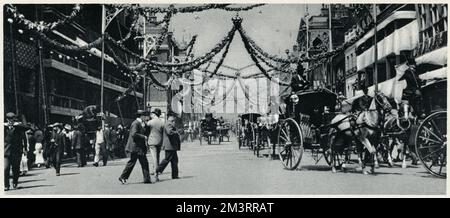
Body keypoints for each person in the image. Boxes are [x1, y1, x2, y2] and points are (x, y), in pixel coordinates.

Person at [119, 110, 151, 184]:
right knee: (138, 163)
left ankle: (146, 179)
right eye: (145, 116)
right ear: (141, 116)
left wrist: (145, 126)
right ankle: (146, 179)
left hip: (138, 147)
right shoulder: (136, 123)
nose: (146, 118)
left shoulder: (140, 123)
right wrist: (144, 137)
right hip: (136, 147)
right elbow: (134, 134)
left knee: (136, 162)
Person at [4, 112, 28, 191]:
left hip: (16, 151)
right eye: (9, 119)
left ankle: (15, 182)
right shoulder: (4, 127)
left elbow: (27, 127)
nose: (11, 121)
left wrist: (18, 124)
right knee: (5, 168)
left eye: (12, 119)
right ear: (7, 119)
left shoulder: (18, 127)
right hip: (6, 151)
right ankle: (6, 185)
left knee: (16, 168)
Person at [156, 112, 182, 181]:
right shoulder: (168, 124)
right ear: (170, 117)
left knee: (174, 161)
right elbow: (169, 132)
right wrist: (177, 132)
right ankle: (158, 170)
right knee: (167, 159)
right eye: (173, 116)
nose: (175, 118)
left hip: (172, 146)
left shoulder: (170, 123)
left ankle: (175, 175)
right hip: (170, 145)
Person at [146, 108, 164, 176]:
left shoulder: (150, 122)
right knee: (158, 156)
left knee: (154, 157)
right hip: (159, 141)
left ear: (154, 114)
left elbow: (146, 131)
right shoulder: (162, 122)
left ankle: (155, 172)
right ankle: (157, 170)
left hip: (152, 141)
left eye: (152, 114)